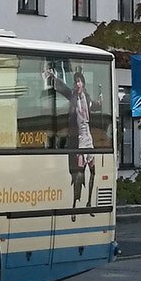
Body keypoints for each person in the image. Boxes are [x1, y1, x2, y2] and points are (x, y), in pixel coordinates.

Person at [45, 66, 102, 219]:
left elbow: (93, 107)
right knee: (78, 173)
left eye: (79, 82)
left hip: (88, 139)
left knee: (93, 172)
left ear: (83, 83)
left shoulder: (87, 98)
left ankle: (89, 202)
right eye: (75, 82)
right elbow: (63, 89)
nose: (77, 84)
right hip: (78, 141)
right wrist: (54, 78)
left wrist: (100, 102)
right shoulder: (72, 96)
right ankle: (75, 206)